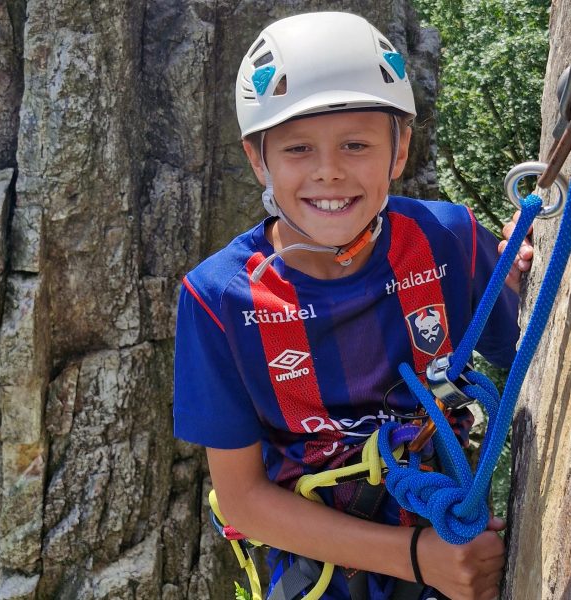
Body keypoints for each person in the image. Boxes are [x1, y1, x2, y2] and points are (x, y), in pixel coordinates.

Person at [173, 11, 531, 600]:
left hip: (450, 539)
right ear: (258, 159)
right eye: (297, 148)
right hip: (336, 574)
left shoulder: (449, 240)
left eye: (357, 144)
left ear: (399, 148)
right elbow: (243, 498)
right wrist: (419, 560)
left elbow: (523, 345)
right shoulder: (219, 300)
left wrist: (530, 266)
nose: (329, 171)